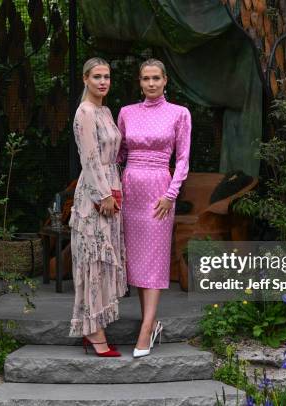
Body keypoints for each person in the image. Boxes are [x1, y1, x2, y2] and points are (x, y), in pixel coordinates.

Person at [117, 58, 191, 358]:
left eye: (156, 78)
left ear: (165, 81)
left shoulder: (179, 114)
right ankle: (150, 321)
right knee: (136, 260)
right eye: (145, 78)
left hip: (160, 192)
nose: (151, 83)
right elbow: (119, 152)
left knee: (155, 259)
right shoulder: (126, 113)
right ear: (139, 81)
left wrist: (171, 194)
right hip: (130, 189)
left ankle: (146, 328)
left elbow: (183, 158)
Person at [68, 57, 127, 357]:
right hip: (94, 196)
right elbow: (89, 159)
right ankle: (92, 331)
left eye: (107, 77)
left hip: (111, 189)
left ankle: (96, 327)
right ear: (85, 80)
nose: (103, 82)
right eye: (97, 77)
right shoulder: (85, 112)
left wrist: (115, 192)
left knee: (104, 264)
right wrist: (103, 195)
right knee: (93, 260)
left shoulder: (105, 110)